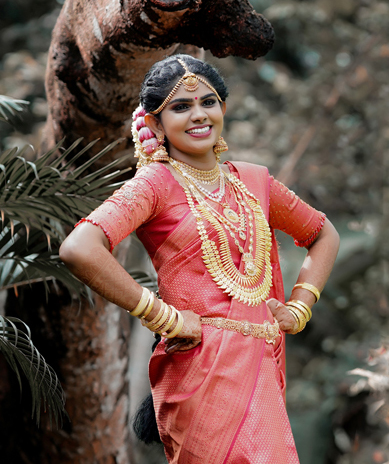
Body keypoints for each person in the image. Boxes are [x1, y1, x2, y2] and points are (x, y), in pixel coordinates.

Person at [59, 54, 340, 464]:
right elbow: (79, 248)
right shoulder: (154, 184)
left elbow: (322, 233)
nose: (198, 115)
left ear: (223, 108)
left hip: (259, 365)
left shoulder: (254, 180)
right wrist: (161, 317)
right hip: (198, 367)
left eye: (208, 102)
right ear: (154, 123)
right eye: (180, 106)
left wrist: (300, 307)